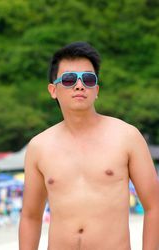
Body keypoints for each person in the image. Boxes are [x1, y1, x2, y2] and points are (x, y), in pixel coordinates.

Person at [19, 41, 159, 250]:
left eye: (88, 78)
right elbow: (31, 216)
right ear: (53, 90)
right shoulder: (39, 147)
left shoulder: (127, 136)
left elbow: (154, 206)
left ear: (97, 89)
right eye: (68, 79)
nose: (79, 85)